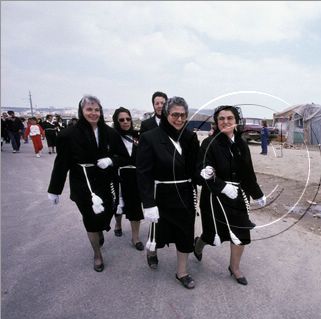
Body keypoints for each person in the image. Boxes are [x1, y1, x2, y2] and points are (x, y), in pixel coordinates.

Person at [194, 105, 267, 286]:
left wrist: (257, 193)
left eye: (229, 118)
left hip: (238, 196)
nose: (225, 121)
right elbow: (203, 171)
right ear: (216, 122)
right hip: (215, 197)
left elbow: (248, 173)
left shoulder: (242, 144)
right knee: (213, 235)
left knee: (240, 232)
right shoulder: (208, 143)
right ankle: (199, 244)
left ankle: (234, 268)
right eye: (221, 119)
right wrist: (222, 186)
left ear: (236, 121)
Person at [47, 95, 121, 272]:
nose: (93, 113)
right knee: (90, 219)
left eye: (97, 109)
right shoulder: (67, 135)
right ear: (81, 111)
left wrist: (111, 160)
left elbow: (123, 156)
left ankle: (101, 229)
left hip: (106, 183)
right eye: (89, 109)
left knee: (106, 214)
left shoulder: (110, 133)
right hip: (83, 184)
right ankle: (97, 254)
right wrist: (54, 189)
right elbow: (61, 163)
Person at [136, 96, 199, 289]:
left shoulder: (190, 137)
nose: (179, 119)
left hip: (185, 193)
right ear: (166, 114)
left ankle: (182, 272)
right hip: (160, 194)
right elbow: (143, 173)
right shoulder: (151, 137)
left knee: (185, 233)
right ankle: (152, 251)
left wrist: (204, 173)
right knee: (159, 231)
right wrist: (148, 203)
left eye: (183, 115)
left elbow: (195, 167)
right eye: (175, 115)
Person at [111, 107, 144, 250]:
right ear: (117, 122)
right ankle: (118, 224)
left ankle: (135, 238)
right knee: (118, 203)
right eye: (122, 120)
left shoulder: (138, 137)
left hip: (135, 177)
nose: (125, 122)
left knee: (135, 207)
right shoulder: (112, 138)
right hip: (118, 176)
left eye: (128, 119)